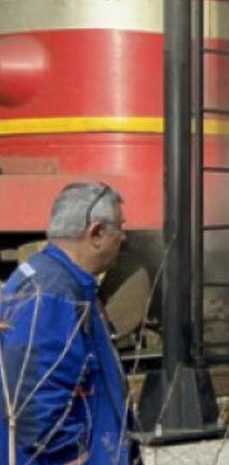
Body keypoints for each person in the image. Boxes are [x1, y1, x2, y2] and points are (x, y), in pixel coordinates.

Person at [0, 182, 141, 464]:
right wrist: (71, 456)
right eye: (119, 229)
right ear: (97, 232)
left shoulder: (53, 281)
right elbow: (34, 401)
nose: (123, 238)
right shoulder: (55, 294)